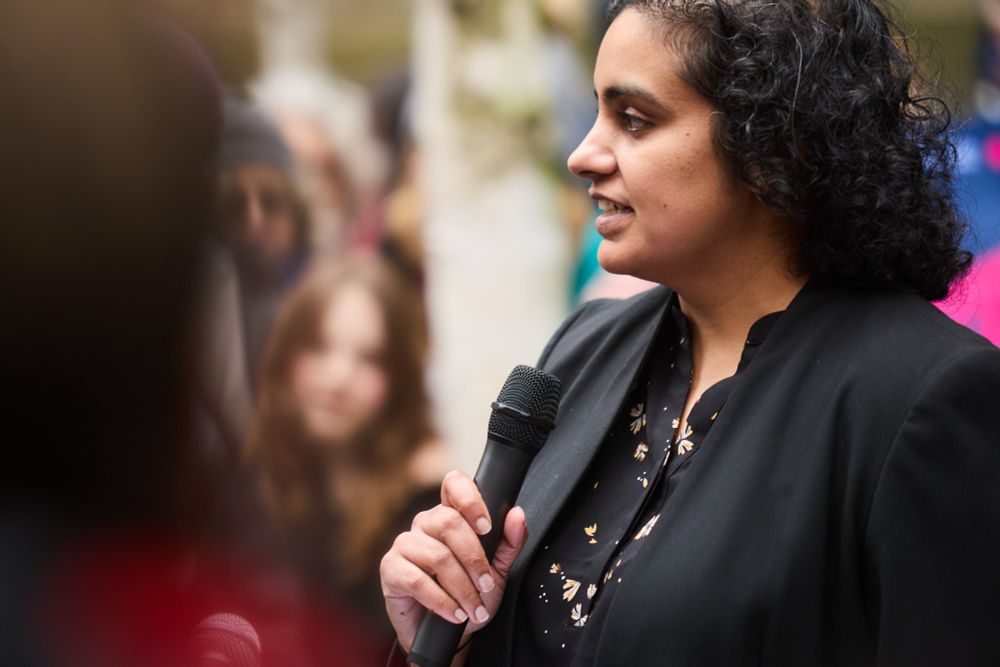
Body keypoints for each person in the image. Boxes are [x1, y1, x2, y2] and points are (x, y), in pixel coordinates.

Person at [379, 1, 1000, 666]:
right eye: (595, 112)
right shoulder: (585, 349)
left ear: (771, 147)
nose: (584, 154)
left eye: (634, 119)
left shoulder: (922, 395)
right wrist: (451, 640)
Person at [246, 257, 446, 651]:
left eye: (369, 358)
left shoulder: (422, 511)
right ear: (285, 354)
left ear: (400, 377)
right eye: (319, 346)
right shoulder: (249, 481)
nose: (338, 377)